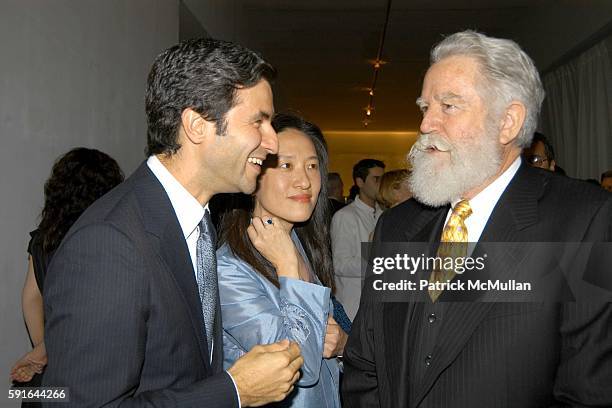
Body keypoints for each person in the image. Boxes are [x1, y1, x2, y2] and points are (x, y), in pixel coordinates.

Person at [343, 30, 612, 407]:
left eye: (448, 106)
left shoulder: (583, 221)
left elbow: (590, 391)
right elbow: (365, 365)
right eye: (425, 107)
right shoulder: (399, 226)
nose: (426, 125)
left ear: (508, 122)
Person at [42, 39, 303, 407]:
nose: (272, 142)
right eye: (258, 122)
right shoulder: (109, 243)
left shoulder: (197, 223)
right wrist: (233, 391)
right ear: (196, 125)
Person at [218, 113, 346, 407]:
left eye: (312, 166)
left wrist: (341, 345)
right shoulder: (229, 267)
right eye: (286, 165)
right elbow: (300, 367)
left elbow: (327, 340)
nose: (304, 181)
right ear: (255, 173)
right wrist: (288, 266)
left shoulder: (302, 243)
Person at [10, 148, 124, 407]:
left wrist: (44, 349)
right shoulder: (104, 240)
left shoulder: (42, 239)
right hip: (90, 372)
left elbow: (31, 299)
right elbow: (91, 310)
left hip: (45, 383)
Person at [331, 159, 384, 320]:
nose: (381, 184)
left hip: (377, 304)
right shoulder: (345, 216)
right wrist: (383, 264)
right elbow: (340, 265)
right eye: (376, 179)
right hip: (353, 307)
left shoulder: (383, 214)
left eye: (383, 179)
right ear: (360, 182)